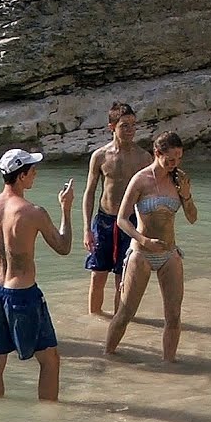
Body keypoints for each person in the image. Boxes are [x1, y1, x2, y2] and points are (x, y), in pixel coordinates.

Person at [0, 148, 74, 401]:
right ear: (21, 176)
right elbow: (63, 247)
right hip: (23, 295)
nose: (35, 174)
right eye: (32, 170)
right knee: (50, 360)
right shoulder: (34, 212)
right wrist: (66, 209)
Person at [104, 131, 198, 362]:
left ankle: (170, 366)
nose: (175, 164)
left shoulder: (179, 179)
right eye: (170, 159)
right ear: (157, 154)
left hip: (169, 253)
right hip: (142, 253)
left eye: (179, 159)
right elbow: (122, 220)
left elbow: (193, 218)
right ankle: (107, 357)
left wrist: (186, 196)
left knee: (174, 315)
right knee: (126, 312)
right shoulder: (141, 180)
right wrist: (144, 241)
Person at [82, 103, 153, 315]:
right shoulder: (100, 156)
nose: (130, 130)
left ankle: (117, 324)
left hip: (130, 223)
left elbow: (149, 195)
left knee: (123, 279)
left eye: (133, 125)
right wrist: (87, 229)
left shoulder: (144, 158)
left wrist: (147, 230)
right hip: (104, 221)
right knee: (97, 276)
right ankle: (94, 321)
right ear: (111, 127)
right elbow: (90, 192)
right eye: (124, 125)